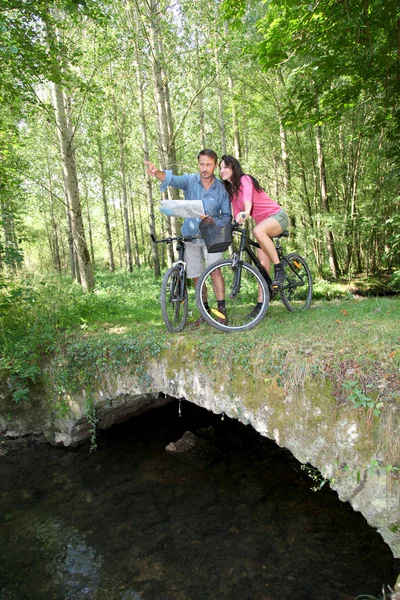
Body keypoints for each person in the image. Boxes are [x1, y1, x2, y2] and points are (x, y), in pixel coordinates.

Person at [145, 149, 231, 324]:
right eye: (202, 164)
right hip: (190, 237)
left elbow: (227, 216)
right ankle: (205, 313)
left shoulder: (221, 188)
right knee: (197, 275)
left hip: (212, 237)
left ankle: (222, 312)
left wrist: (211, 220)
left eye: (208, 164)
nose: (205, 168)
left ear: (215, 165)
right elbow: (172, 180)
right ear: (198, 164)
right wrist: (157, 173)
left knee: (215, 271)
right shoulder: (190, 181)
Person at [219, 155, 290, 315]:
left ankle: (279, 269)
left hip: (278, 216)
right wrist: (234, 223)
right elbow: (237, 213)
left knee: (257, 231)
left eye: (225, 167)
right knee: (262, 268)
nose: (222, 170)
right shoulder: (232, 191)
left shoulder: (245, 180)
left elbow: (248, 200)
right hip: (264, 225)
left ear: (233, 168)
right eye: (221, 168)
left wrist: (246, 211)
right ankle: (260, 305)